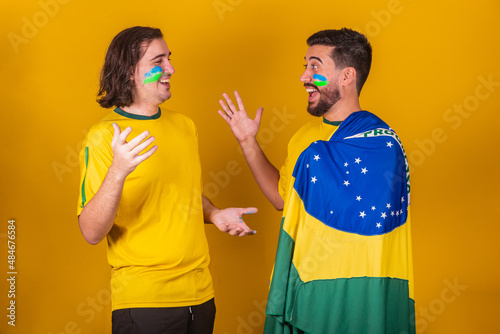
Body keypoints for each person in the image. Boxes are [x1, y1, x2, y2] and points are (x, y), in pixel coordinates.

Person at [218, 28, 415, 333]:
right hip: (306, 290)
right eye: (305, 66)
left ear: (347, 76)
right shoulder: (304, 139)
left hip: (357, 297)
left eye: (315, 66)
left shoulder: (381, 144)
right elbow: (283, 199)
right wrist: (247, 142)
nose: (304, 77)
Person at [77, 26, 257, 334]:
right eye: (158, 61)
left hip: (201, 297)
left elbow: (180, 195)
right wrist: (118, 170)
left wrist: (215, 214)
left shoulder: (184, 126)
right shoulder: (105, 137)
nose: (170, 69)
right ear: (130, 72)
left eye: (169, 59)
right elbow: (91, 231)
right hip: (146, 303)